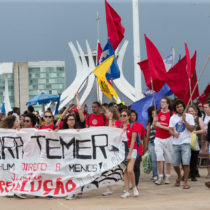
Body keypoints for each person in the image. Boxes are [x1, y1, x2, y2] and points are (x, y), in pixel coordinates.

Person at [169, 100, 195, 189]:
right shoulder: (173, 118)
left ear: (184, 107)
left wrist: (185, 120)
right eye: (177, 107)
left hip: (186, 143)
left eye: (181, 106)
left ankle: (186, 182)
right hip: (175, 143)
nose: (180, 108)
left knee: (186, 163)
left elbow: (191, 129)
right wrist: (174, 134)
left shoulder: (189, 116)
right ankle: (179, 176)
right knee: (175, 164)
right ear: (175, 109)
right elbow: (170, 129)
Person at [116, 109, 139, 198]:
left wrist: (129, 154)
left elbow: (133, 141)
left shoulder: (133, 126)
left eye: (124, 115)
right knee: (124, 171)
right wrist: (122, 130)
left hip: (132, 149)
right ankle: (127, 191)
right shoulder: (120, 126)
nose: (122, 117)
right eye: (121, 115)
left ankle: (135, 188)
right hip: (122, 150)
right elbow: (117, 139)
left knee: (130, 169)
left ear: (129, 117)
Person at [154, 96, 173, 185]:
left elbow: (171, 129)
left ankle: (168, 177)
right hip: (158, 138)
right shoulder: (157, 112)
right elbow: (154, 126)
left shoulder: (172, 114)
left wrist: (160, 125)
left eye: (164, 102)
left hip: (168, 139)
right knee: (159, 158)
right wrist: (154, 122)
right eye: (161, 102)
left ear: (168, 104)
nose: (162, 104)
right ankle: (160, 177)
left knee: (168, 159)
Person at [102, 106, 120, 196]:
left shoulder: (117, 122)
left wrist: (110, 120)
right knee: (108, 169)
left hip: (117, 149)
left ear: (111, 113)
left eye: (107, 112)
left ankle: (125, 187)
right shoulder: (107, 123)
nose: (106, 114)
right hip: (109, 149)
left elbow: (111, 131)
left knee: (119, 169)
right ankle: (109, 188)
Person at [187, 105, 205, 181]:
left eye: (192, 111)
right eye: (189, 111)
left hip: (196, 141)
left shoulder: (199, 119)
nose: (191, 112)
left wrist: (195, 132)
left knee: (194, 158)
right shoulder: (185, 119)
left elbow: (203, 130)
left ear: (195, 112)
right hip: (186, 140)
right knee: (186, 159)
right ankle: (187, 174)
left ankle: (193, 174)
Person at [130, 110, 147, 187]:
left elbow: (144, 136)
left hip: (138, 149)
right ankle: (131, 182)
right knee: (130, 168)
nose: (133, 117)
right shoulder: (127, 126)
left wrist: (145, 147)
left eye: (134, 115)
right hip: (128, 150)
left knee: (136, 167)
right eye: (131, 115)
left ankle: (135, 184)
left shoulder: (140, 125)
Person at [147, 106, 158, 182]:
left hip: (159, 142)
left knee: (160, 160)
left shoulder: (160, 121)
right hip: (151, 142)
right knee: (153, 160)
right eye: (152, 113)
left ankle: (161, 174)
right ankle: (155, 175)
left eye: (155, 112)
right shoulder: (149, 122)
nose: (153, 114)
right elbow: (148, 134)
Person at [203, 102, 210, 178]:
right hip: (204, 137)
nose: (205, 109)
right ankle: (208, 173)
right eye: (204, 107)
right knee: (207, 156)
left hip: (208, 137)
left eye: (206, 107)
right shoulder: (204, 116)